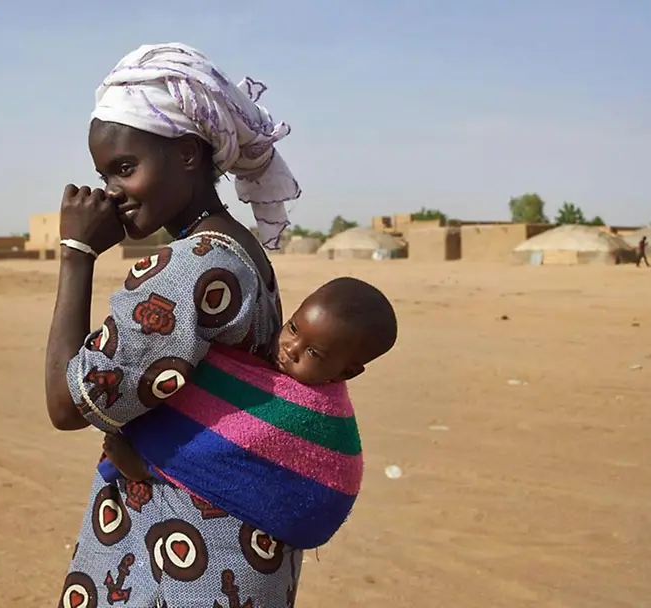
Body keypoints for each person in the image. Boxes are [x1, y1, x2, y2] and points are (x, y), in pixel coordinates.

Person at [45, 43, 302, 607]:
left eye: (125, 168)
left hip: (189, 556)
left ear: (187, 154)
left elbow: (68, 405)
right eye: (103, 174)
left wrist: (75, 254)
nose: (111, 191)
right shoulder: (237, 248)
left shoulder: (189, 266)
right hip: (234, 545)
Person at [100, 276, 398, 550]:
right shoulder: (258, 363)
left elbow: (320, 497)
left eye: (312, 353)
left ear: (346, 372)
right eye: (294, 328)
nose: (290, 348)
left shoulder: (324, 416)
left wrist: (149, 464)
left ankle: (152, 466)